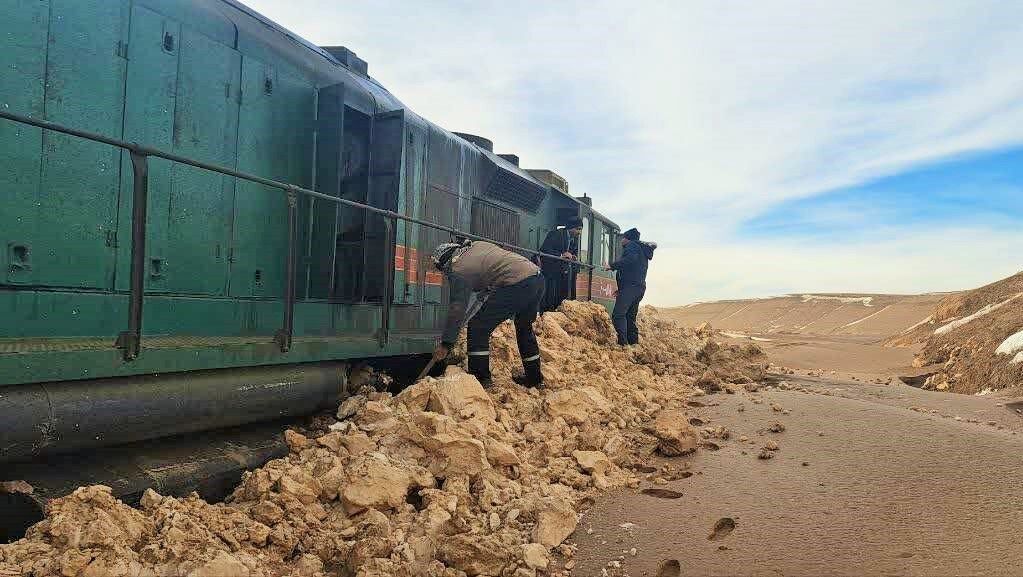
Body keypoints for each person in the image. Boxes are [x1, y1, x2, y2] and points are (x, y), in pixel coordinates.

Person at [430, 239, 546, 387]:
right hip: (537, 278)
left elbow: (457, 308)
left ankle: (480, 379)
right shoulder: (476, 245)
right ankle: (534, 379)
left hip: (519, 283)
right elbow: (494, 265)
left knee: (478, 327)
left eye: (442, 270)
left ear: (444, 264)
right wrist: (489, 285)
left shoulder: (458, 268)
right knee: (524, 328)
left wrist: (447, 343)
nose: (445, 274)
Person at [607, 228, 656, 346]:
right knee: (630, 316)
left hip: (631, 287)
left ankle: (622, 344)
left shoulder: (632, 246)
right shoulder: (642, 250)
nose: (621, 240)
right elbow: (633, 270)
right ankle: (633, 344)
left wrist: (612, 265)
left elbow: (630, 260)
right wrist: (622, 289)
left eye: (623, 237)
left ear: (627, 239)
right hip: (638, 287)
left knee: (618, 315)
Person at [536, 216, 583, 312]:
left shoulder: (573, 240)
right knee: (549, 297)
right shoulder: (555, 234)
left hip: (561, 273)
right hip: (550, 272)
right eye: (578, 229)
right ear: (571, 227)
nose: (579, 232)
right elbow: (545, 250)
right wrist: (561, 255)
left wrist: (572, 257)